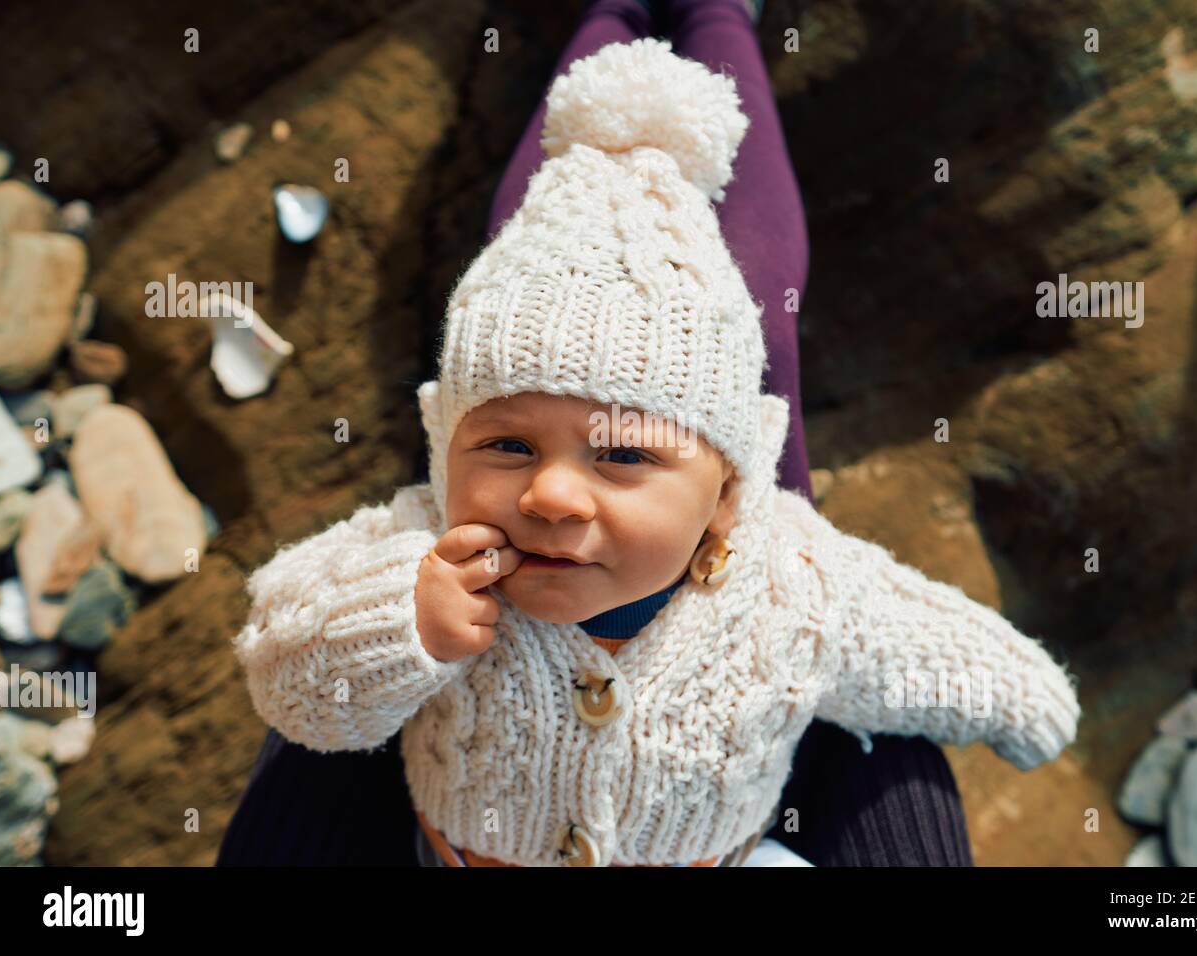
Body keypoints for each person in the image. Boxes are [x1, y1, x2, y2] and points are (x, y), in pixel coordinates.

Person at [217, 0, 1033, 868]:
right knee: (590, 257)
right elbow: (284, 668)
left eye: (621, 455)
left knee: (760, 294)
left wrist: (1028, 704)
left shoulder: (792, 584)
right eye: (506, 447)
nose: (551, 494)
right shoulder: (419, 552)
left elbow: (928, 645)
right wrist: (397, 621)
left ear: (728, 498)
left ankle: (708, 14)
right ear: (443, 448)